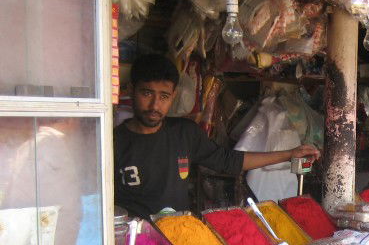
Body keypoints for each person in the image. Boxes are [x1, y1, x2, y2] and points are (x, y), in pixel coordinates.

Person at [114, 55, 320, 218]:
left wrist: (289, 154)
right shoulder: (112, 143)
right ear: (131, 90)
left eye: (164, 96)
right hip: (133, 243)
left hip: (176, 237)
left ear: (173, 96)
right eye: (147, 93)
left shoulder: (185, 133)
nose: (155, 106)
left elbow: (228, 161)